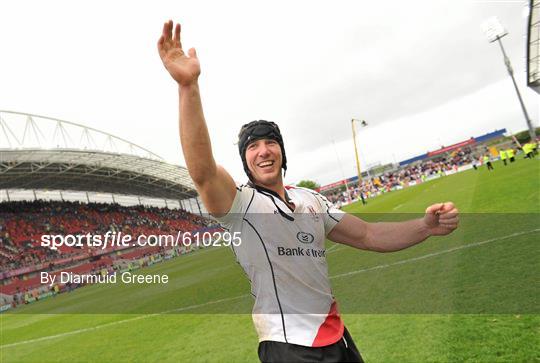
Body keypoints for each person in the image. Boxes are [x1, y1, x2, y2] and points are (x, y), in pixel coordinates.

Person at [158, 20, 459, 363]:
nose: (264, 150)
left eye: (271, 142)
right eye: (253, 146)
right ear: (245, 160)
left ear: (282, 151)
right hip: (290, 348)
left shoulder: (310, 199)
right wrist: (188, 87)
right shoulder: (241, 204)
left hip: (337, 337)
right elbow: (202, 170)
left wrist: (425, 227)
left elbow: (369, 235)